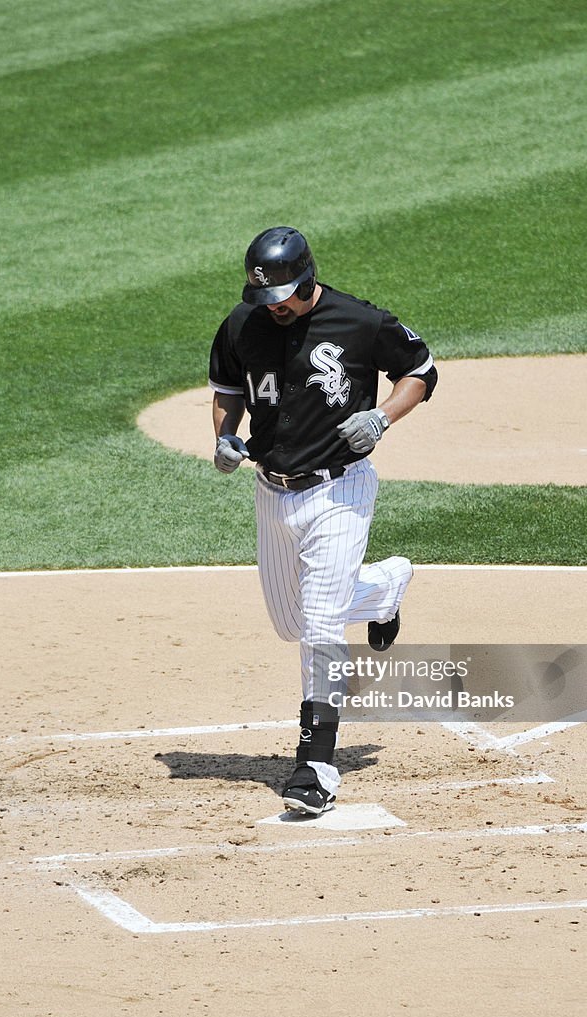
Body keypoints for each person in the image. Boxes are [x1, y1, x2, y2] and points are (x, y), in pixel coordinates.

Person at [209, 226, 437, 816]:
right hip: (271, 489)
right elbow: (229, 388)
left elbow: (421, 369)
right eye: (266, 297)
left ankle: (316, 765)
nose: (275, 306)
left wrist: (383, 418)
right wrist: (226, 437)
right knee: (291, 623)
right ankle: (384, 588)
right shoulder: (243, 323)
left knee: (318, 627)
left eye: (283, 293)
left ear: (307, 276)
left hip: (341, 490)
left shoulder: (359, 321)